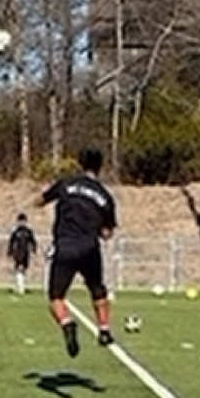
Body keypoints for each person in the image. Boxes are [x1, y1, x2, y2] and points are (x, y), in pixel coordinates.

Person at [38, 147, 118, 358]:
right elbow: (108, 232)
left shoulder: (66, 183)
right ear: (100, 167)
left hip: (65, 246)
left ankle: (67, 324)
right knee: (98, 289)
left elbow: (42, 199)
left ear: (80, 164)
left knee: (56, 297)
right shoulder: (104, 196)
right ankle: (104, 329)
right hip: (90, 247)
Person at [7, 212, 37, 296]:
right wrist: (10, 251)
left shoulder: (28, 231)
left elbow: (33, 241)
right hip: (17, 253)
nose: (22, 223)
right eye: (20, 221)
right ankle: (21, 289)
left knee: (23, 269)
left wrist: (34, 249)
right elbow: (11, 241)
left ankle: (19, 286)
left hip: (26, 252)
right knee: (19, 268)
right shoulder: (15, 231)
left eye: (23, 221)